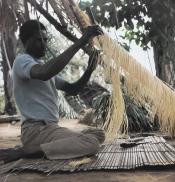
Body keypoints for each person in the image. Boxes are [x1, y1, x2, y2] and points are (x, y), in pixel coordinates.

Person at [12, 20, 105, 160]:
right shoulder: (22, 61)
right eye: (39, 40)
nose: (44, 44)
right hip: (36, 131)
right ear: (25, 41)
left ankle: (42, 148)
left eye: (45, 40)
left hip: (50, 129)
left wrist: (89, 70)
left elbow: (72, 89)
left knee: (98, 134)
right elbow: (44, 73)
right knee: (91, 143)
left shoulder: (41, 65)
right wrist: (81, 42)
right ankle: (30, 151)